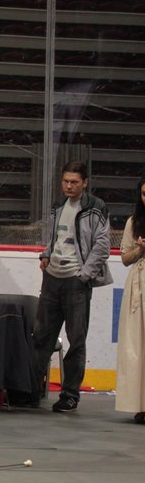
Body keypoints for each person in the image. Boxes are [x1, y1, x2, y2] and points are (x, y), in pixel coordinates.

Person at [33, 161, 111, 412]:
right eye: (65, 181)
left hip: (76, 282)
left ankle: (69, 395)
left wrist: (83, 275)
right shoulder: (59, 205)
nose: (69, 186)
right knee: (41, 336)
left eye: (74, 182)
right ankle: (31, 389)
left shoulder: (96, 207)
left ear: (85, 183)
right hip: (52, 278)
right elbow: (56, 236)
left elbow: (102, 246)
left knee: (76, 339)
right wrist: (46, 254)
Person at [117, 176, 145, 424]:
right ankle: (140, 405)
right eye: (144, 194)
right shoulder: (133, 222)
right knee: (137, 345)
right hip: (139, 284)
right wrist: (140, 249)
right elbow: (125, 259)